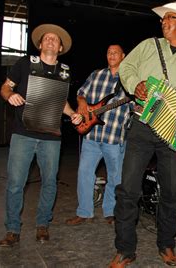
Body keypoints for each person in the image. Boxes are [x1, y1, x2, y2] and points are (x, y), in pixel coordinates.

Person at [108, 1, 176, 267]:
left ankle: (166, 244)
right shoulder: (148, 46)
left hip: (173, 134)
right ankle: (125, 249)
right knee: (128, 189)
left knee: (172, 192)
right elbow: (126, 68)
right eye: (163, 19)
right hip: (141, 126)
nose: (163, 22)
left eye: (169, 18)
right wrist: (135, 84)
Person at [0, 24, 83, 247]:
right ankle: (12, 230)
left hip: (51, 136)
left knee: (49, 183)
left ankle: (43, 224)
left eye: (55, 39)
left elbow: (60, 101)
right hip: (23, 133)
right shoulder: (25, 63)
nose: (50, 41)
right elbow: (5, 87)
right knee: (16, 183)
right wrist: (10, 96)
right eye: (47, 38)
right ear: (40, 44)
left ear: (61, 47)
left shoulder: (64, 72)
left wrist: (73, 113)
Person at [66, 44, 132, 226]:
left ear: (123, 56)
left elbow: (136, 107)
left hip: (114, 136)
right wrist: (81, 103)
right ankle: (84, 212)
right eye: (109, 52)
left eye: (115, 52)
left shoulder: (130, 79)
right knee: (84, 173)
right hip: (91, 135)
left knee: (115, 177)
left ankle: (110, 211)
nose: (111, 55)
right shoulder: (96, 74)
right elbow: (81, 93)